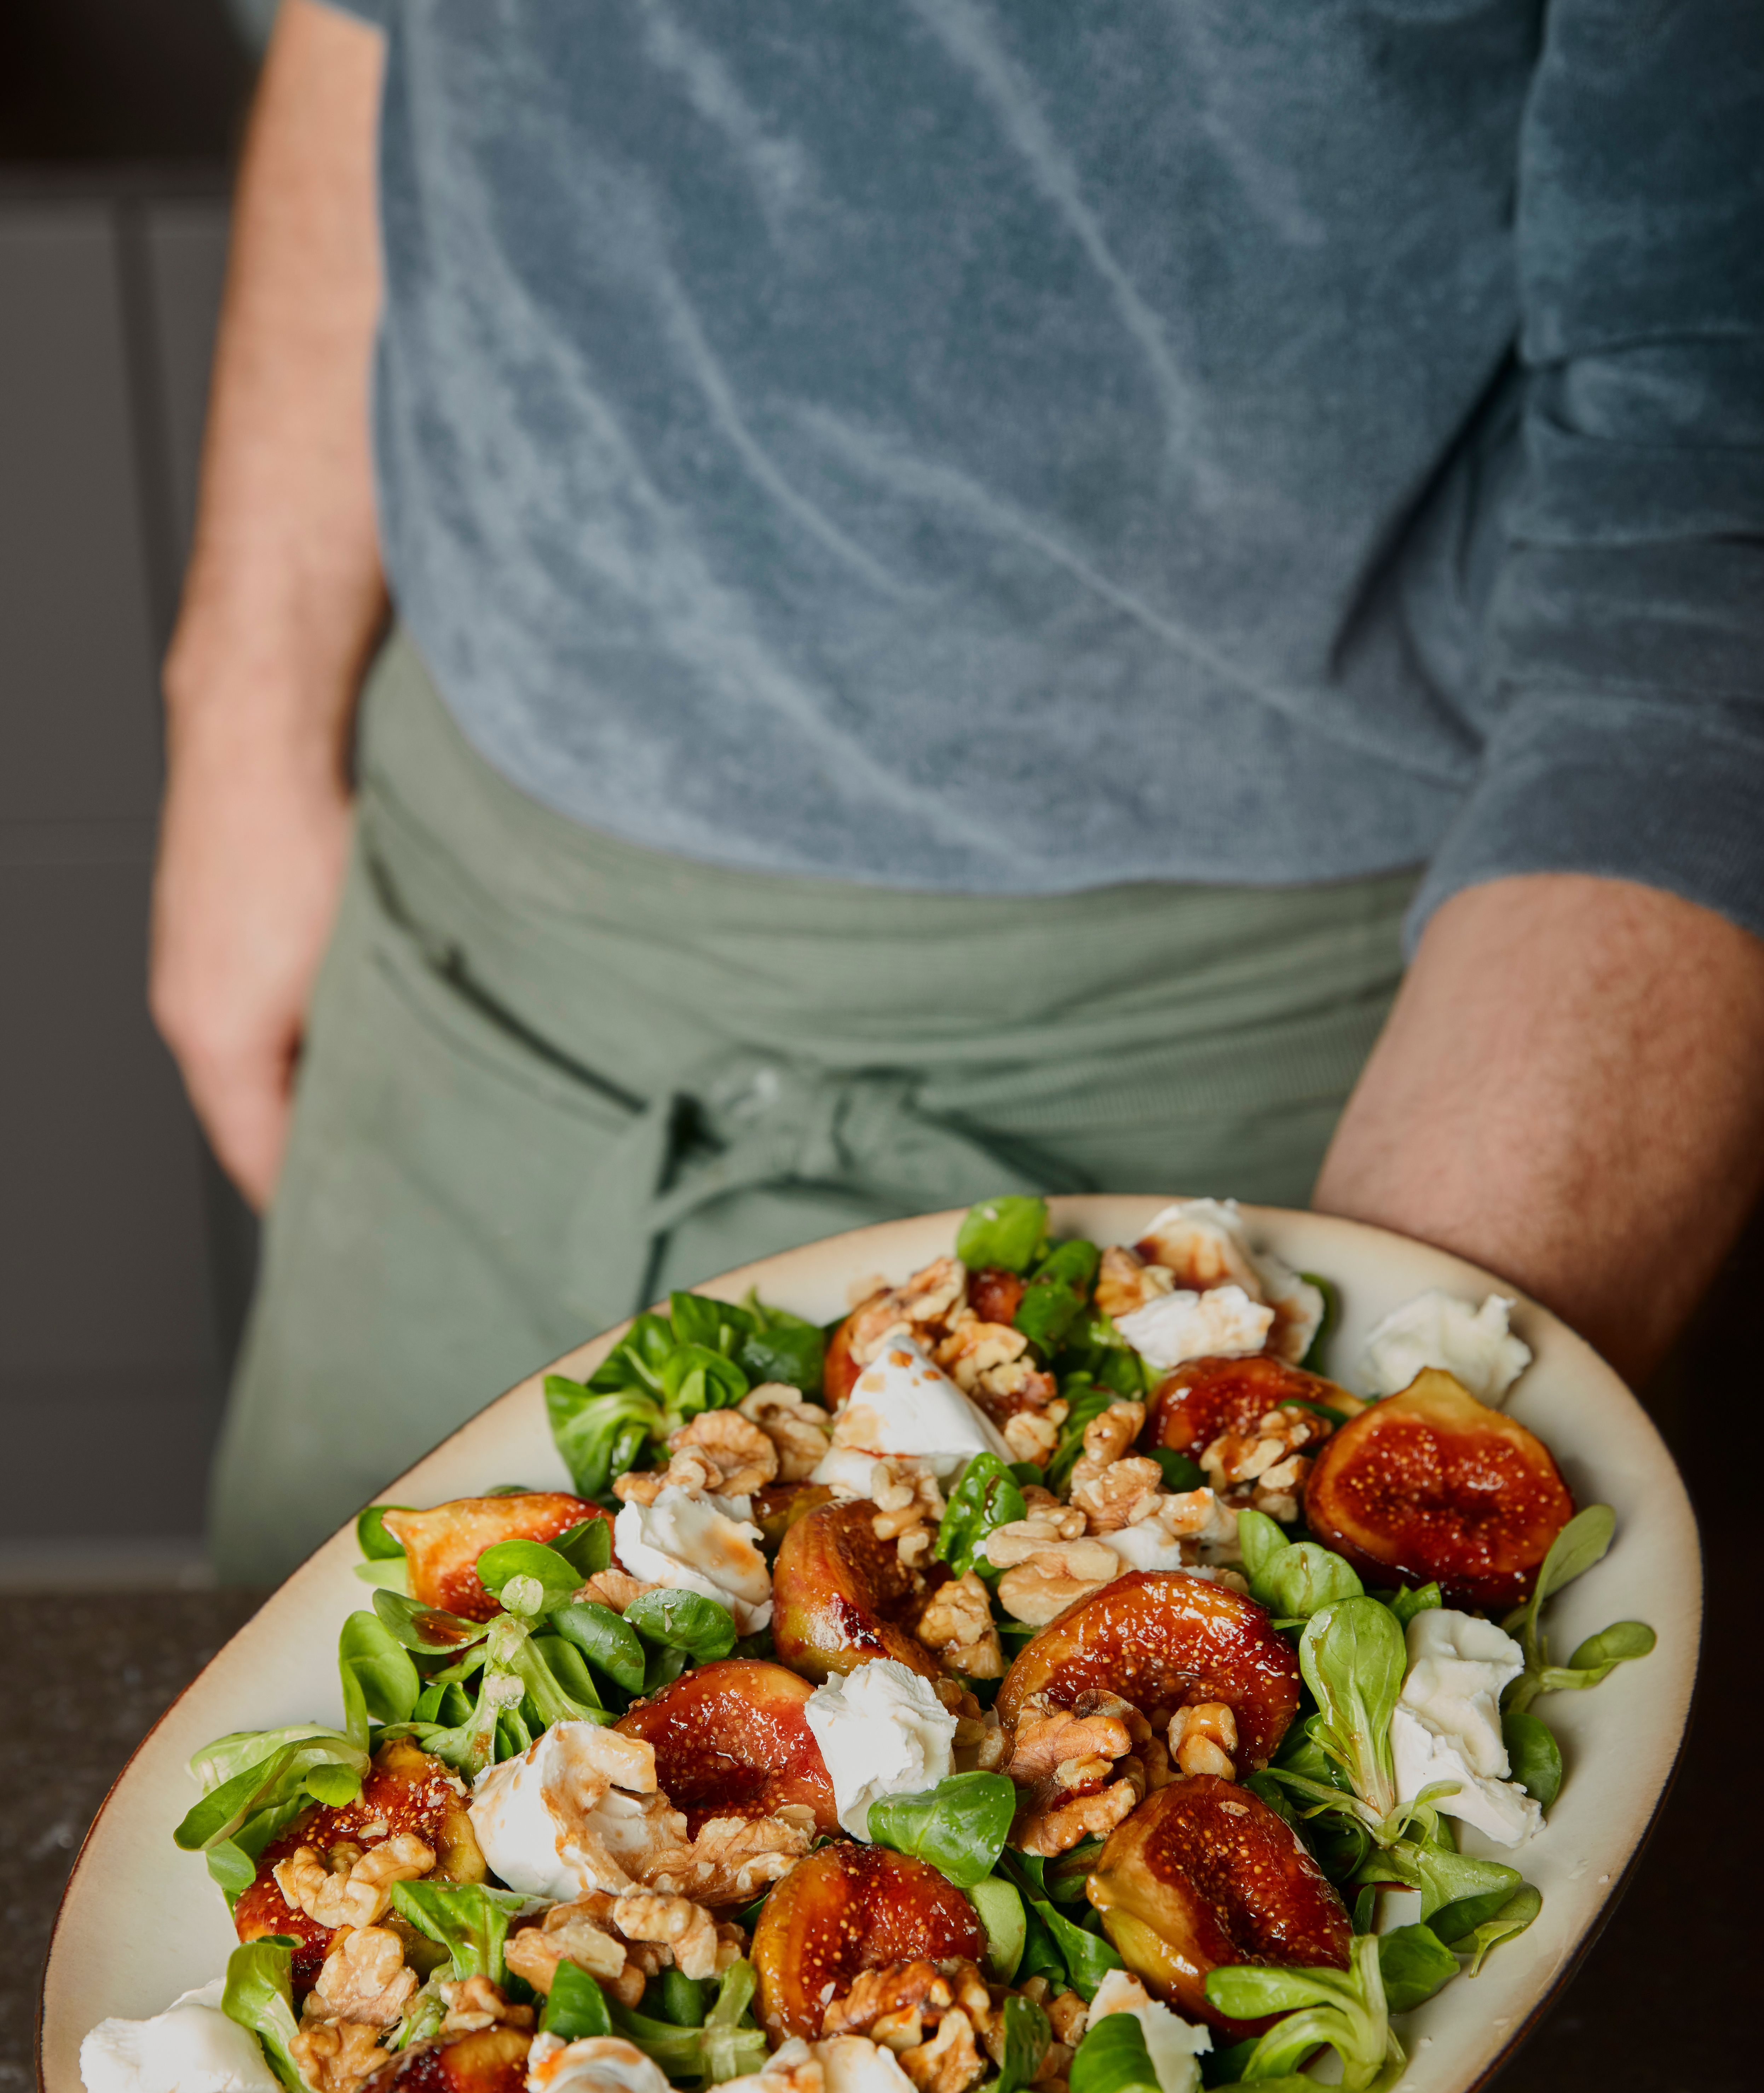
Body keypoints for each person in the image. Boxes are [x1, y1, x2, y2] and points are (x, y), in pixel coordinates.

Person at [151, 0, 1764, 1585]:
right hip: (466, 981)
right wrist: (242, 693)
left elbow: (1709, 528)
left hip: (1264, 1104)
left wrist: (1377, 1485)